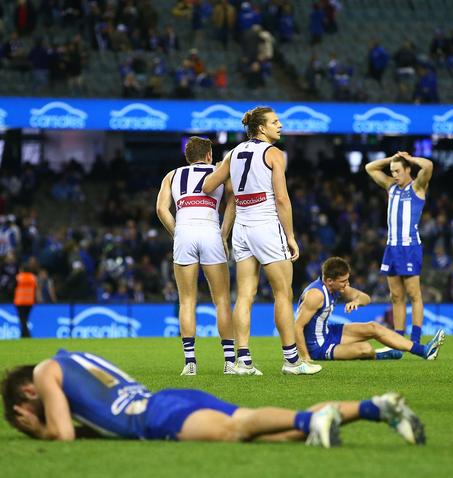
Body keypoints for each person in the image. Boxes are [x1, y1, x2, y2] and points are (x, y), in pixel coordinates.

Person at [1, 349, 425, 447]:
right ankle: (376, 407)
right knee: (265, 430)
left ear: (27, 392)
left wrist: (38, 429)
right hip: (167, 400)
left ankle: (313, 421)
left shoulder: (45, 371)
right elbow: (90, 422)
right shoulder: (73, 358)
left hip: (155, 418)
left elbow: (63, 435)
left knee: (236, 429)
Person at [202, 106, 321, 376]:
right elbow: (281, 198)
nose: (280, 125)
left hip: (241, 228)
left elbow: (209, 186)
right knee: (282, 293)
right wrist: (290, 236)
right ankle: (291, 360)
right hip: (266, 224)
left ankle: (242, 360)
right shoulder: (273, 153)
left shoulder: (233, 153)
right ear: (261, 128)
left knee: (245, 295)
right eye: (275, 122)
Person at [156, 136, 236, 376]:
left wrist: (175, 231)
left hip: (185, 233)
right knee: (221, 300)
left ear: (187, 157)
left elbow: (161, 208)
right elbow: (232, 202)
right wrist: (224, 234)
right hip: (210, 230)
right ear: (209, 155)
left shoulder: (172, 175)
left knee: (187, 301)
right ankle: (230, 362)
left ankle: (190, 362)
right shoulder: (219, 172)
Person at [294, 257, 446, 361]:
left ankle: (424, 350)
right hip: (317, 347)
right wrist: (306, 357)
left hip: (327, 333)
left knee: (373, 326)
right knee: (365, 349)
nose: (347, 284)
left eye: (347, 280)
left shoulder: (336, 287)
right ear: (329, 281)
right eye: (343, 281)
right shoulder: (315, 295)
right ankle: (382, 356)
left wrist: (357, 302)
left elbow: (366, 298)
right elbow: (297, 326)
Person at [365, 151, 433, 344]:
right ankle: (398, 339)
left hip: (409, 247)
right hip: (391, 247)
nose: (394, 174)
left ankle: (416, 339)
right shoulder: (391, 187)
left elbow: (428, 166)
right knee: (396, 296)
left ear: (408, 170)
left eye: (397, 170)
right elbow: (369, 167)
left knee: (414, 294)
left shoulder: (417, 187)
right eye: (392, 171)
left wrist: (409, 158)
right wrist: (391, 159)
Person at [14, 264, 40, 338]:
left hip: (20, 301)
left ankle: (27, 334)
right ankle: (23, 334)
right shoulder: (33, 277)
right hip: (29, 301)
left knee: (22, 319)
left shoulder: (19, 277)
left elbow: (12, 287)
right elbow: (37, 289)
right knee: (25, 318)